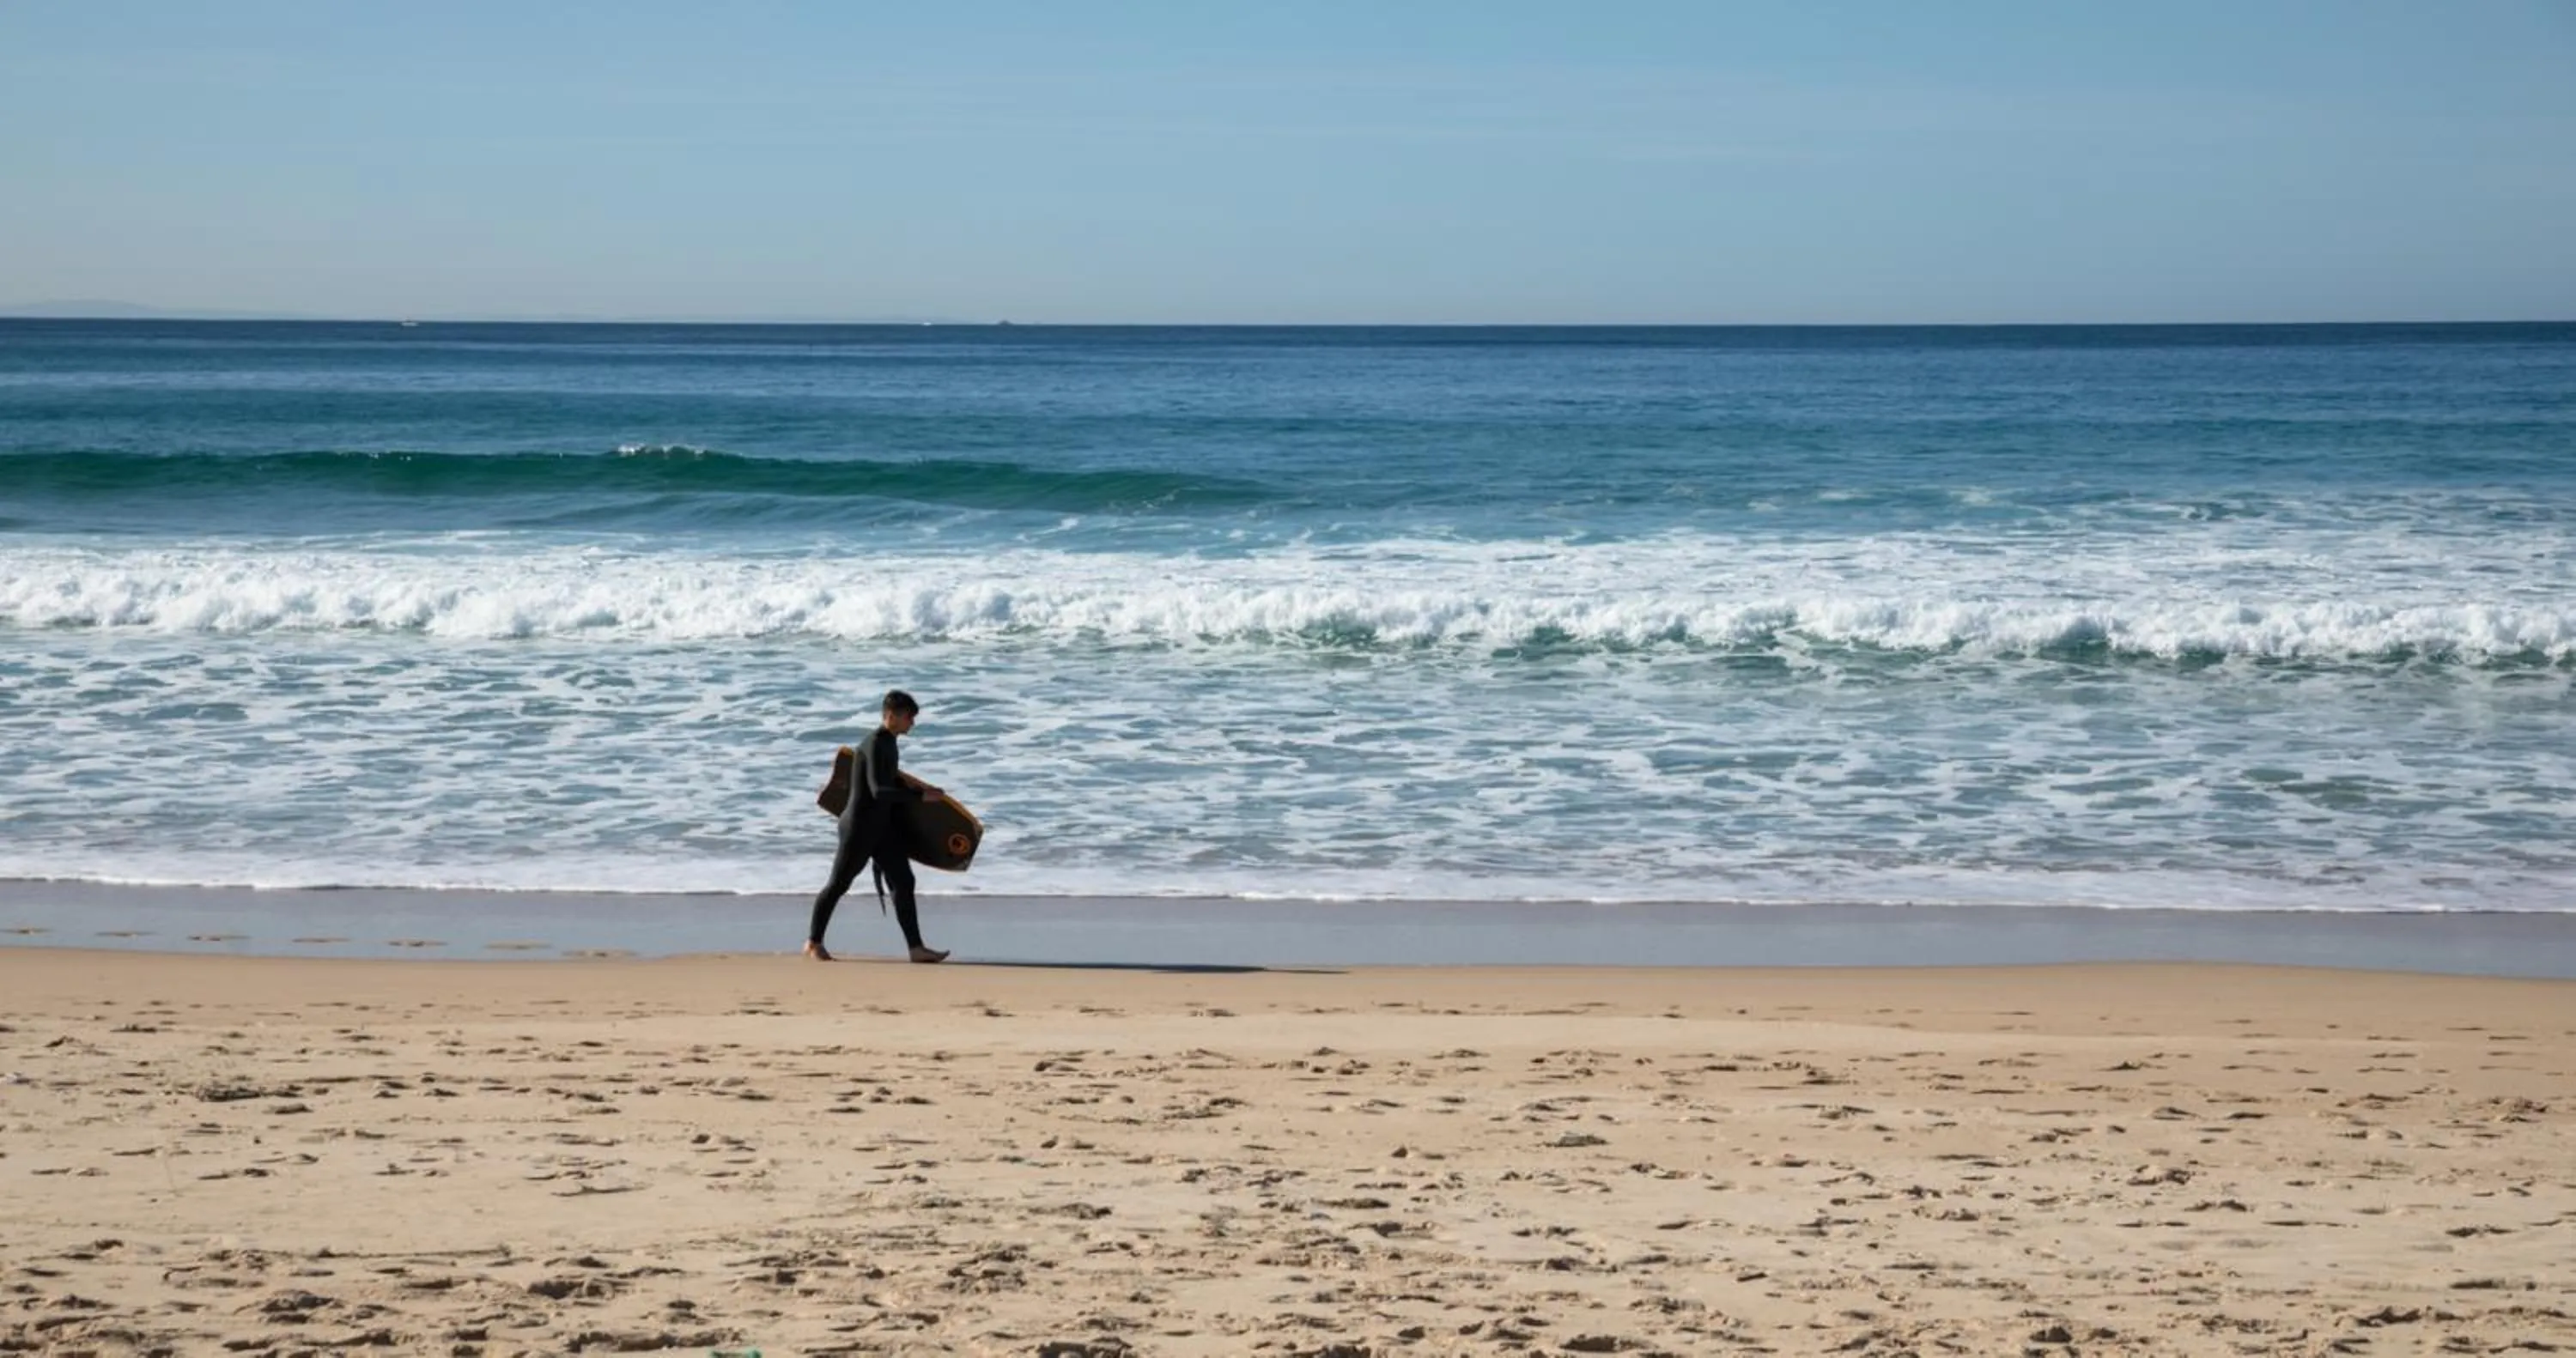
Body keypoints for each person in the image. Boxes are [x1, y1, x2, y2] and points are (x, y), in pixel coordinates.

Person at [805, 689, 949, 963]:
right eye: (909, 717)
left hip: (881, 828)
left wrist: (923, 787)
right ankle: (813, 942)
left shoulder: (889, 743)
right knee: (839, 884)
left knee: (904, 881)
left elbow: (892, 780)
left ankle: (916, 949)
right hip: (859, 828)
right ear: (891, 716)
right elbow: (878, 791)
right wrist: (921, 797)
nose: (913, 723)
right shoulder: (873, 744)